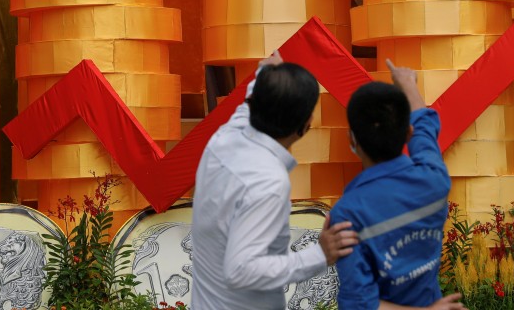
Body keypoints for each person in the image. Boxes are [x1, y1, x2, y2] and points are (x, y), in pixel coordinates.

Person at [192, 51, 359, 310]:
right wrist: (319, 255)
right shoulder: (267, 182)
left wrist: (266, 73)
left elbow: (248, 105)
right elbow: (241, 270)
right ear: (306, 125)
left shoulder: (224, 138)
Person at [330, 60, 465, 310]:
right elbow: (425, 127)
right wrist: (407, 83)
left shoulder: (347, 214)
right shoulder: (434, 179)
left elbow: (359, 304)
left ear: (352, 140)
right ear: (408, 133)